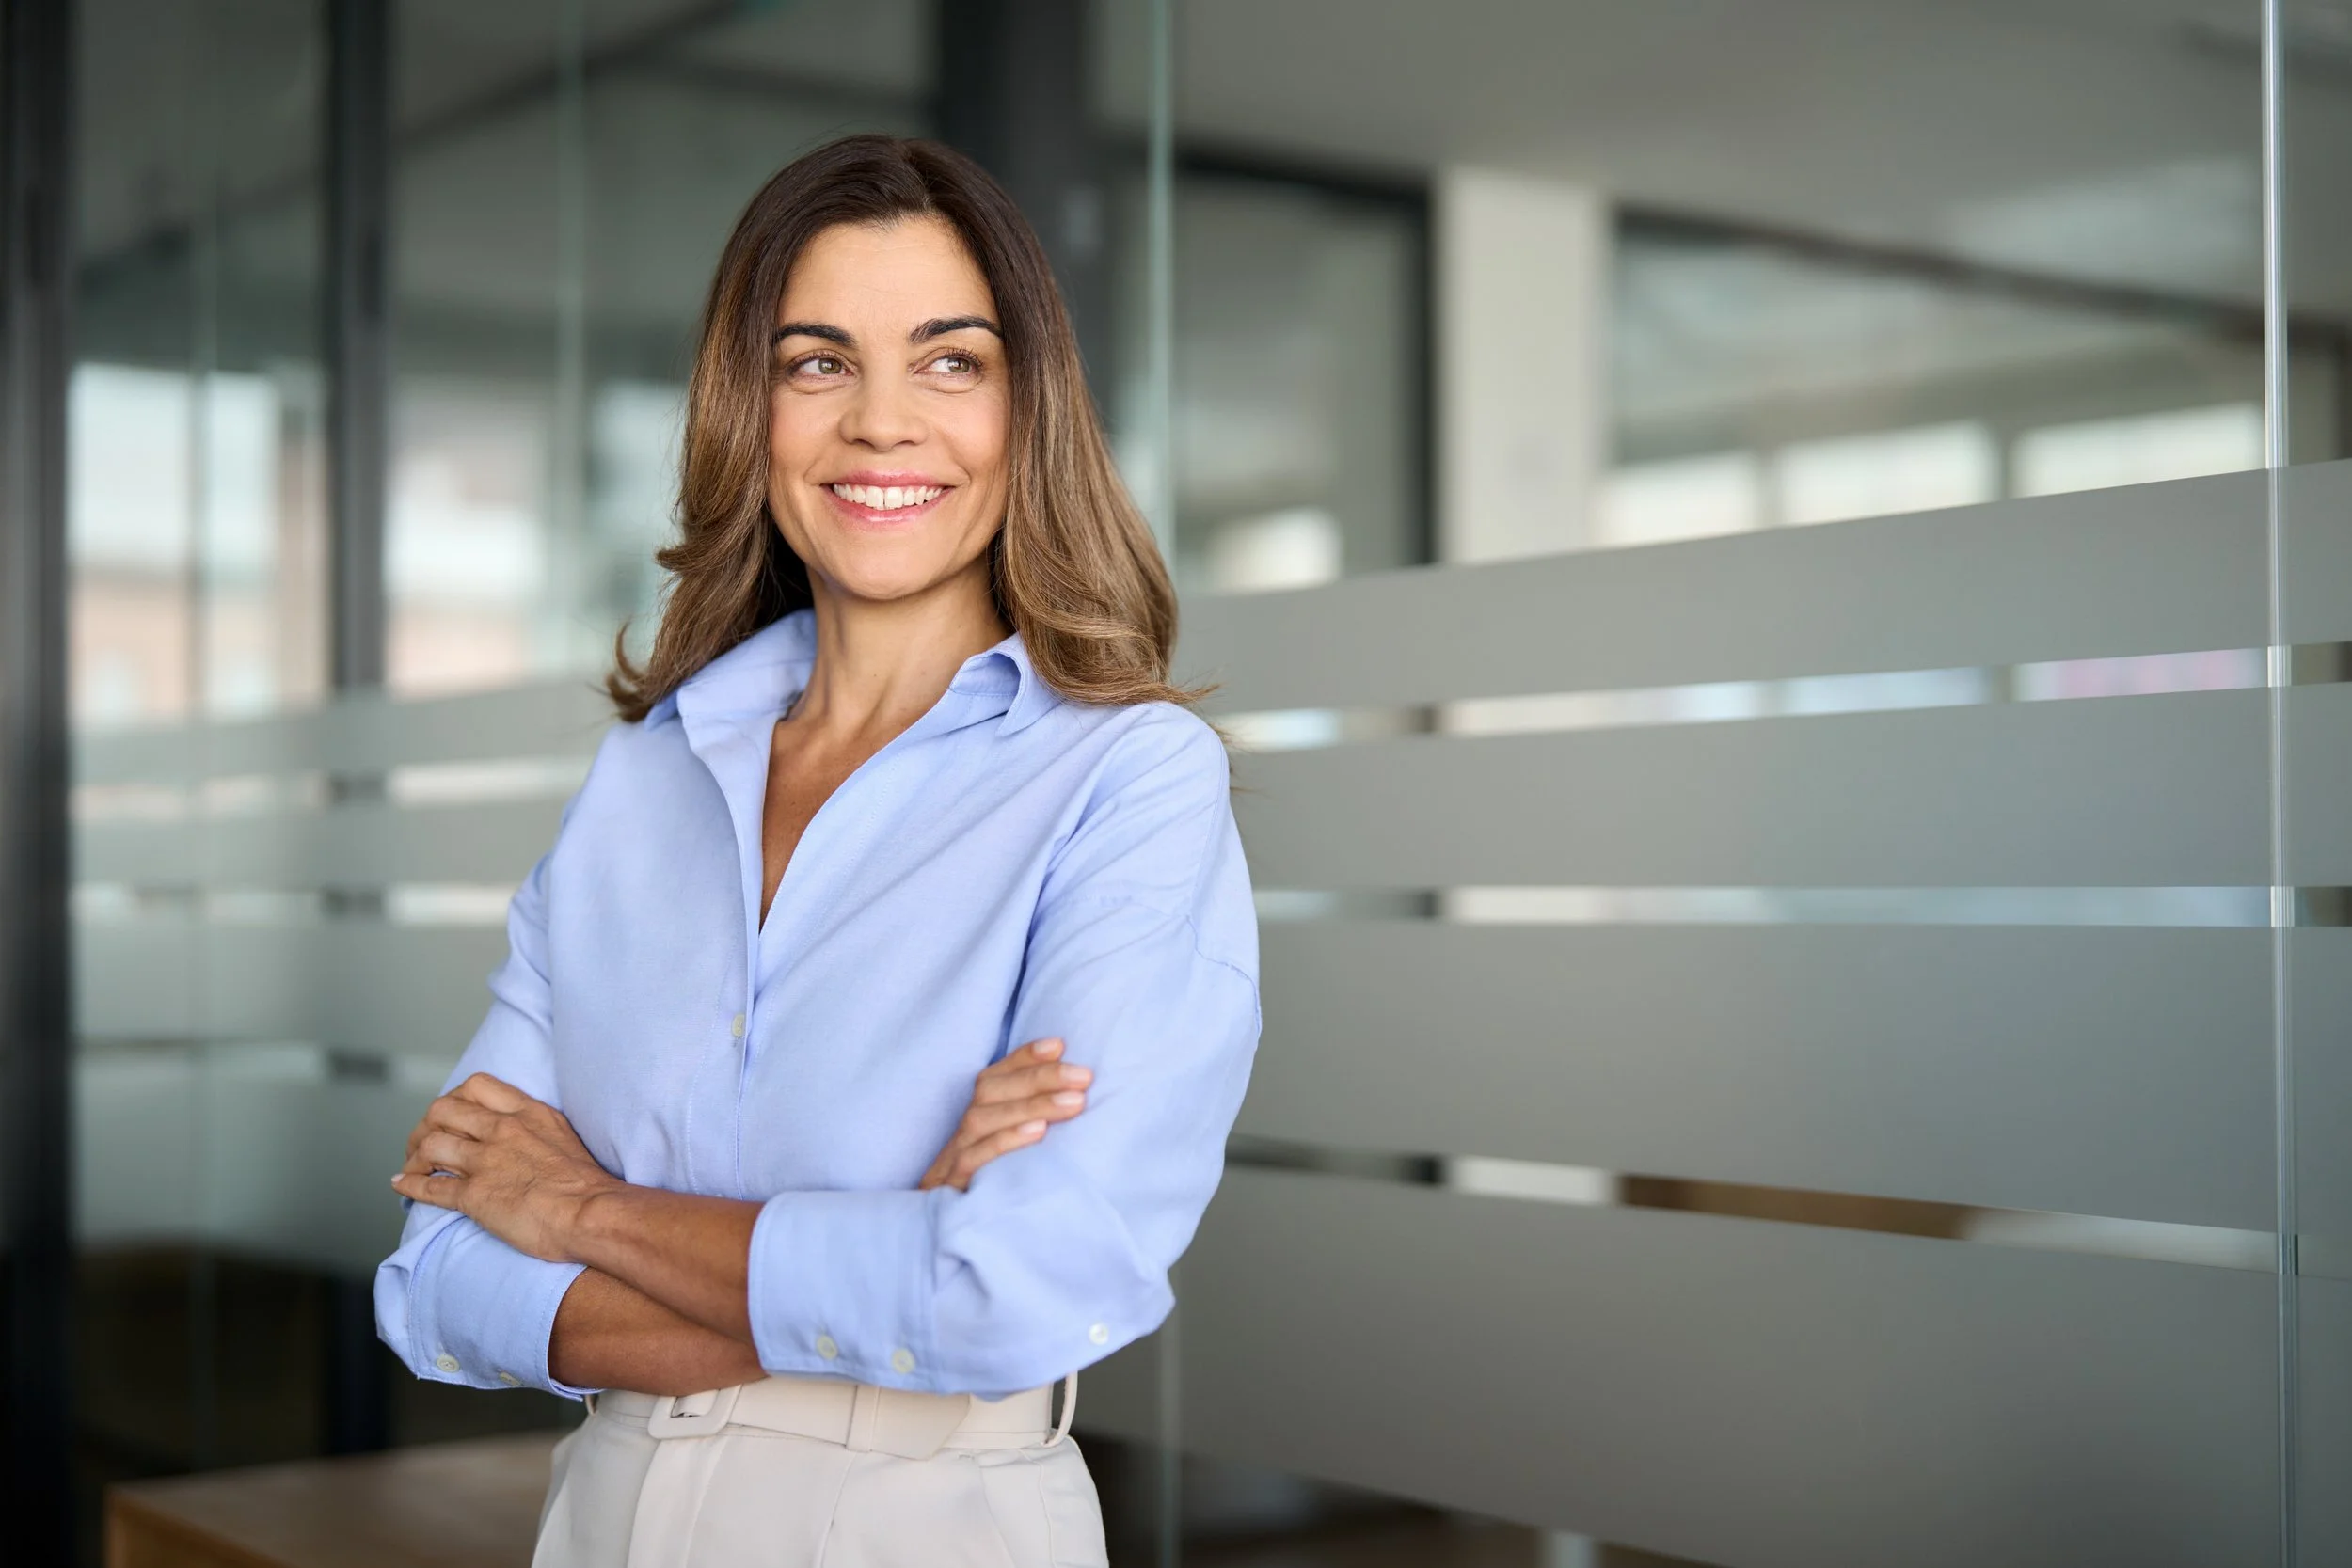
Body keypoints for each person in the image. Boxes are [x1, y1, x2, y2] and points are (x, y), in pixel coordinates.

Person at [372, 134, 1260, 1567]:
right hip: (603, 1520)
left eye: (951, 361)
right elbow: (436, 1278)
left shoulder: (1127, 780)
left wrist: (583, 1207)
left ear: (1026, 410)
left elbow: (1019, 1283)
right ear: (755, 410)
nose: (883, 423)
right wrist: (880, 1249)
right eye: (819, 362)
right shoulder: (639, 783)